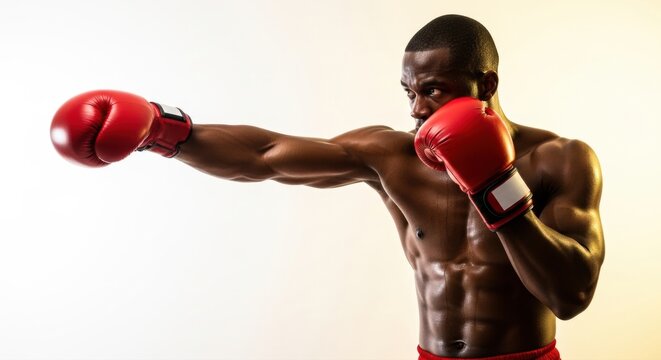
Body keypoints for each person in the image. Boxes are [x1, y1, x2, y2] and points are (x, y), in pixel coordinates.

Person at [50, 14, 604, 360]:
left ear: (487, 84)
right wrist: (161, 128)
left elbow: (571, 295)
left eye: (433, 91)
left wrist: (496, 186)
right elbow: (266, 155)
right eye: (409, 90)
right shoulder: (393, 154)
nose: (416, 109)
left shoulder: (561, 159)